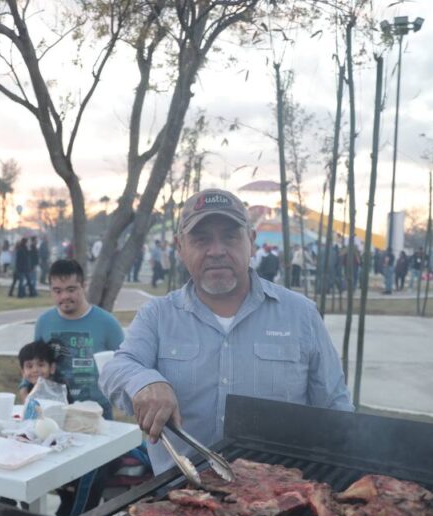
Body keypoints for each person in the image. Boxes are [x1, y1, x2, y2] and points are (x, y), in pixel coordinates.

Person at [99, 188, 353, 477]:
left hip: (281, 496)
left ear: (252, 242)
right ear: (180, 247)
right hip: (181, 497)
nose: (217, 250)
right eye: (201, 238)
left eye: (230, 236)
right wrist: (144, 382)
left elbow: (335, 407)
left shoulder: (302, 314)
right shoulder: (157, 315)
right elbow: (116, 369)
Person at [33, 258, 125, 516]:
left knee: (91, 476)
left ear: (83, 286)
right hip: (56, 418)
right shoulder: (44, 323)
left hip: (99, 420)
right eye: (57, 291)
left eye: (71, 289)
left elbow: (129, 366)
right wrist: (24, 386)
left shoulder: (106, 323)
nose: (65, 297)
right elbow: (35, 363)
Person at [15, 340, 62, 404]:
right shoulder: (28, 389)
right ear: (23, 372)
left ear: (52, 368)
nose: (35, 370)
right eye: (30, 366)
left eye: (41, 365)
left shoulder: (59, 390)